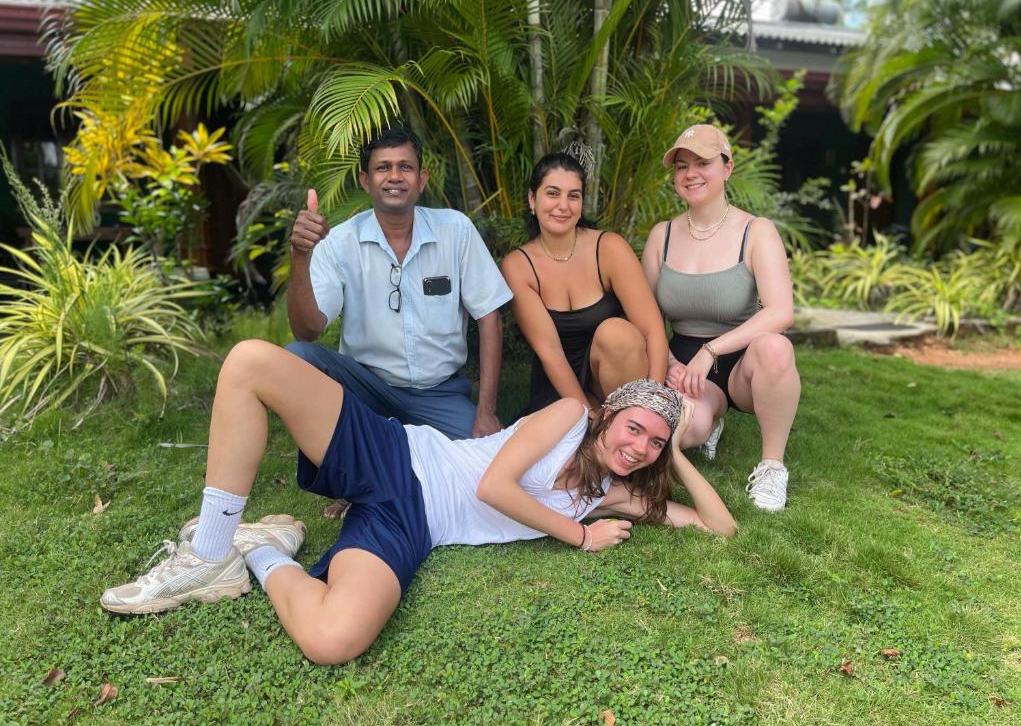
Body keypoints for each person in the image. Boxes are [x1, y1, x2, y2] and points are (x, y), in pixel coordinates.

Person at [100, 343, 736, 665]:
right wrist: (580, 535)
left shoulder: (611, 493)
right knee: (250, 362)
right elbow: (493, 488)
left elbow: (719, 527)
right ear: (608, 416)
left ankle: (261, 551)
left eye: (653, 443)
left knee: (333, 639)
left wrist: (676, 453)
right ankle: (210, 551)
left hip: (413, 523)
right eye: (635, 428)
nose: (639, 447)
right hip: (399, 456)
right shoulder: (570, 416)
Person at [287, 126, 511, 441]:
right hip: (365, 388)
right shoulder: (339, 242)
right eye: (383, 168)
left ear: (422, 179)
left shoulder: (456, 231)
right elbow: (307, 331)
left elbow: (489, 317)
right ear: (365, 181)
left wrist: (486, 411)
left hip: (439, 393)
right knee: (298, 356)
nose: (394, 176)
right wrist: (299, 255)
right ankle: (337, 443)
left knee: (486, 453)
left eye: (405, 167)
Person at [641, 124, 801, 512]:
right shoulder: (662, 236)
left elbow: (781, 311)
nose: (690, 174)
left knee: (776, 348)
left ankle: (772, 467)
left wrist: (711, 350)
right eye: (682, 166)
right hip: (684, 366)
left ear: (727, 168)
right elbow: (643, 314)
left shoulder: (756, 231)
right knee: (684, 432)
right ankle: (710, 421)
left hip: (742, 362)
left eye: (702, 163)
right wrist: (670, 362)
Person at [501, 152, 669, 415]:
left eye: (573, 196)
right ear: (532, 199)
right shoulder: (518, 266)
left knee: (617, 334)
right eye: (553, 193)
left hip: (616, 377)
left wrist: (653, 403)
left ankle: (630, 418)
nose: (563, 205)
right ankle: (599, 426)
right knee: (572, 432)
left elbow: (653, 330)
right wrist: (589, 415)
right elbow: (551, 353)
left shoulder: (609, 248)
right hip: (559, 386)